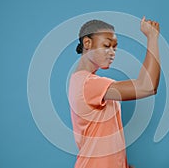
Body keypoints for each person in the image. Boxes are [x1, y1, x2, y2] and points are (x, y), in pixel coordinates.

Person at [68, 16, 160, 168]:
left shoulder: (81, 81)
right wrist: (152, 38)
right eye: (106, 45)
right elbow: (148, 86)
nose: (112, 52)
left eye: (114, 47)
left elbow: (102, 136)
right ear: (87, 43)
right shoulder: (89, 84)